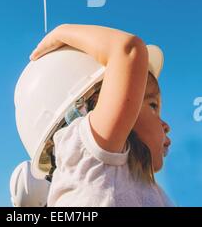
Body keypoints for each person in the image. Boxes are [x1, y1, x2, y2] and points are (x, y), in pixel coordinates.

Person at [28, 23, 175, 207]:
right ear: (97, 104)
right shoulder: (89, 160)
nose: (166, 124)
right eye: (153, 105)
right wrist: (60, 32)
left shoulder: (152, 191)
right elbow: (128, 50)